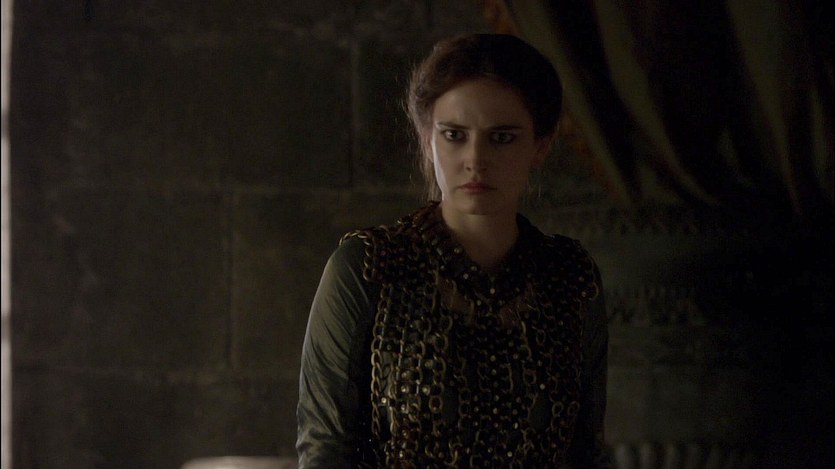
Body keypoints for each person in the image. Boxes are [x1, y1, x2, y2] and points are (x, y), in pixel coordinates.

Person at [296, 33, 611, 468]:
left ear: (540, 145)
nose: (475, 159)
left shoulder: (568, 277)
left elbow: (586, 453)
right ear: (428, 139)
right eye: (454, 135)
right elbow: (325, 449)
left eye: (502, 138)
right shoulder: (371, 266)